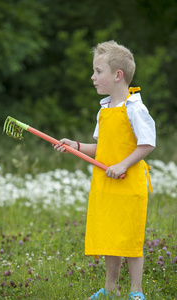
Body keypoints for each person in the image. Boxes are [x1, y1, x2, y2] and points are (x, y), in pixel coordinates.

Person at [54, 40, 156, 300]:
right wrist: (75, 145)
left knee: (130, 238)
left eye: (98, 71)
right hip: (107, 182)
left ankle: (136, 290)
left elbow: (147, 144)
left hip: (129, 182)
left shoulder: (135, 108)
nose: (93, 77)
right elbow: (102, 149)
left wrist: (122, 164)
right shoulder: (104, 110)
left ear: (117, 75)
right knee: (111, 236)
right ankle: (111, 289)